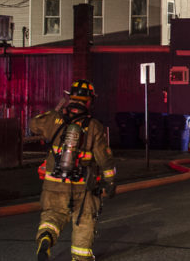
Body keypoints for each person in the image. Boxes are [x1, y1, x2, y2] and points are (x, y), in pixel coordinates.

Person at [32, 79, 117, 261]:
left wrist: (56, 110)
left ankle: (46, 237)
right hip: (83, 187)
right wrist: (110, 182)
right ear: (89, 101)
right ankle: (80, 257)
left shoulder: (53, 120)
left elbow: (33, 125)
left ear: (70, 98)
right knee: (84, 220)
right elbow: (104, 158)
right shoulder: (94, 126)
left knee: (52, 216)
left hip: (53, 184)